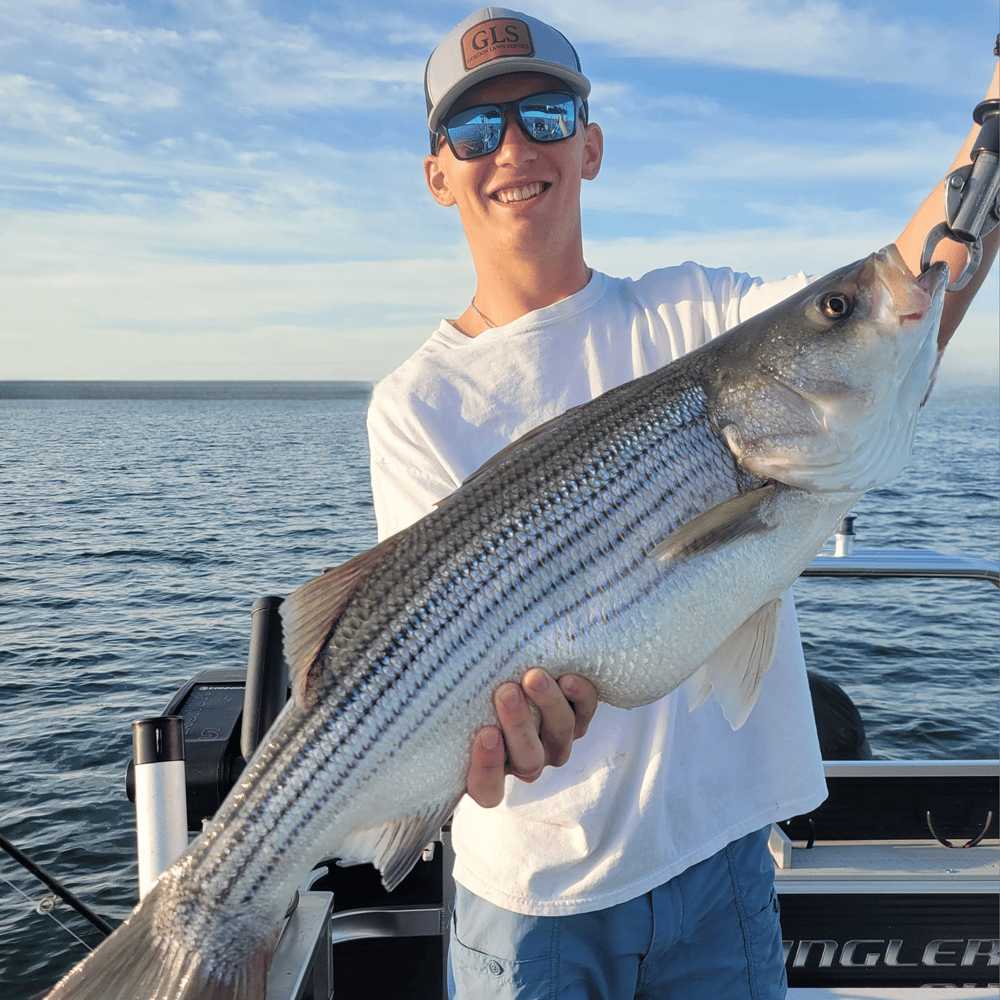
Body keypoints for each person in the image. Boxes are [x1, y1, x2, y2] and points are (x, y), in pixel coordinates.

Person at [366, 9, 999, 999]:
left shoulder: (693, 314)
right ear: (438, 172)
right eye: (476, 130)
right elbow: (424, 651)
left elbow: (906, 292)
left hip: (718, 863)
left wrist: (994, 122)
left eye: (542, 113)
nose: (514, 149)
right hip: (529, 903)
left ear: (591, 144)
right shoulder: (415, 403)